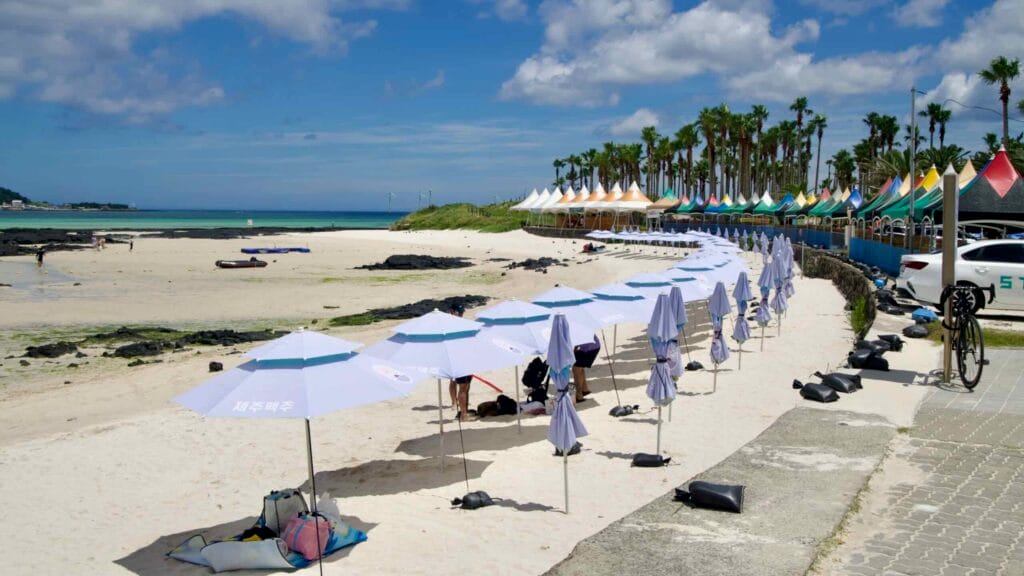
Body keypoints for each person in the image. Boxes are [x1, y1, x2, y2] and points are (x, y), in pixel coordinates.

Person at [572, 336, 601, 403]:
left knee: (576, 369)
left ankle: (579, 395)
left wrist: (574, 350)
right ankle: (584, 389)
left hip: (590, 348)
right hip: (594, 345)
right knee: (579, 367)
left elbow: (576, 341)